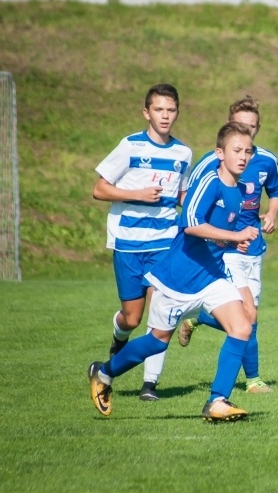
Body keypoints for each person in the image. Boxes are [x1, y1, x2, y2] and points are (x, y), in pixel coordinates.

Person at [88, 121, 259, 421]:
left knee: (242, 326)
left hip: (211, 275)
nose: (243, 157)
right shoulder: (208, 182)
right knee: (156, 341)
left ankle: (217, 400)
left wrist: (234, 243)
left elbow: (218, 235)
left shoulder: (240, 190)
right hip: (178, 279)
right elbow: (191, 225)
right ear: (220, 153)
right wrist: (235, 236)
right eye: (236, 150)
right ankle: (103, 374)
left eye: (247, 151)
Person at [177, 96, 278, 394]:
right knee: (248, 315)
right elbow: (189, 199)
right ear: (229, 125)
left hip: (253, 248)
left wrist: (272, 214)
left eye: (252, 127)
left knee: (251, 316)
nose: (247, 131)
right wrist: (217, 235)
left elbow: (276, 189)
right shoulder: (212, 162)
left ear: (258, 128)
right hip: (226, 251)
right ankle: (253, 380)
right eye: (240, 125)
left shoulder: (266, 160)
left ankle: (200, 318)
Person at [92, 83, 193, 401]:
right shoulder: (130, 146)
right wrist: (136, 194)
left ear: (177, 113)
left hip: (164, 242)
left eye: (171, 110)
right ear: (146, 113)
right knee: (132, 318)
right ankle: (118, 338)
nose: (165, 115)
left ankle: (150, 385)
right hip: (128, 243)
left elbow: (182, 196)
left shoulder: (183, 153)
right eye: (159, 109)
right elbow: (99, 189)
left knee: (160, 314)